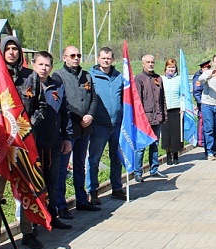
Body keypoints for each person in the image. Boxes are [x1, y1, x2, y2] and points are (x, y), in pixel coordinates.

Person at [0, 35, 43, 249]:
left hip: (24, 142)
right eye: (8, 49)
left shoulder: (30, 77)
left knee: (26, 187)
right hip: (2, 143)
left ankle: (28, 231)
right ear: (2, 51)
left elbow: (40, 105)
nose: (12, 52)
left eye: (15, 48)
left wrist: (31, 124)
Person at [51, 46, 101, 216]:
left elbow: (94, 97)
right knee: (63, 168)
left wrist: (90, 115)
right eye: (72, 55)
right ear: (64, 57)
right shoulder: (58, 76)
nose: (76, 58)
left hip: (85, 129)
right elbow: (62, 102)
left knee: (80, 165)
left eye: (78, 55)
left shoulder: (87, 76)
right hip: (69, 129)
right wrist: (80, 117)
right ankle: (61, 205)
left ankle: (82, 200)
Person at [29, 51, 73, 230]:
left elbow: (65, 112)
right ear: (34, 65)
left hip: (53, 142)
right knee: (34, 184)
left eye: (47, 65)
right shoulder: (28, 86)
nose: (43, 68)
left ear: (51, 67)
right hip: (33, 143)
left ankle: (52, 215)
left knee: (52, 181)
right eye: (40, 64)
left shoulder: (57, 85)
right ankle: (32, 223)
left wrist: (67, 137)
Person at [88, 47, 127, 203]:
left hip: (116, 124)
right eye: (103, 58)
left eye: (109, 58)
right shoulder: (91, 76)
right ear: (98, 59)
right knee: (94, 159)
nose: (106, 61)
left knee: (116, 158)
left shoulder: (119, 77)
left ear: (113, 60)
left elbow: (125, 99)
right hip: (99, 125)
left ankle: (117, 188)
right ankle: (93, 191)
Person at [134, 54, 168, 182]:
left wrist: (164, 115)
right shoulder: (139, 79)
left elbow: (162, 98)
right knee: (141, 147)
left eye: (152, 62)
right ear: (143, 64)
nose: (150, 64)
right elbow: (137, 101)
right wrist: (139, 119)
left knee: (154, 145)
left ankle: (154, 169)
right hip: (144, 119)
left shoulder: (158, 78)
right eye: (148, 62)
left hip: (157, 118)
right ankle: (138, 172)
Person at [162, 58, 183, 165]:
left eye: (173, 67)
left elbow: (183, 95)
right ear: (166, 68)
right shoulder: (161, 79)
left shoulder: (179, 79)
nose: (171, 69)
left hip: (176, 109)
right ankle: (168, 154)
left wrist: (183, 108)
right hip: (165, 110)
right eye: (169, 67)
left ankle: (175, 155)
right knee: (166, 135)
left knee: (176, 134)